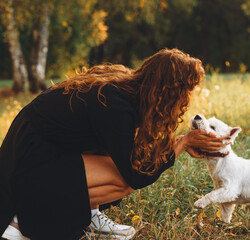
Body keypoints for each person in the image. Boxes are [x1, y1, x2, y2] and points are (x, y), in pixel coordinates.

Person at [0, 48, 230, 240]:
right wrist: (181, 144)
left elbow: (121, 147)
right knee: (122, 179)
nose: (187, 100)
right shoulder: (115, 104)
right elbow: (136, 174)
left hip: (36, 149)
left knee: (115, 160)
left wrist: (178, 141)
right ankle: (21, 218)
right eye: (185, 91)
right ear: (168, 91)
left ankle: (90, 215)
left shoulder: (126, 88)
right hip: (29, 162)